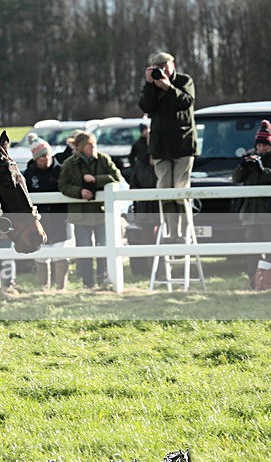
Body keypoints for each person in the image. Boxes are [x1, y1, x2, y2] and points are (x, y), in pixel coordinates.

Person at [138, 51, 197, 240]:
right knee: (164, 189)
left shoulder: (184, 80)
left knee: (180, 188)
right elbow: (146, 107)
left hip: (183, 144)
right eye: (158, 67)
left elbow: (186, 102)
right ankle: (172, 232)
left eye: (165, 65)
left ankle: (185, 231)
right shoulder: (151, 86)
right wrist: (150, 85)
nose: (162, 70)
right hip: (160, 146)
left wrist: (168, 86)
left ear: (173, 64)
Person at [59, 131, 123, 289]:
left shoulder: (103, 159)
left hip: (101, 213)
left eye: (94, 143)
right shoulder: (70, 164)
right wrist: (79, 192)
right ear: (80, 147)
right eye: (89, 144)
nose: (92, 146)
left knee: (104, 246)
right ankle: (87, 282)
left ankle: (103, 279)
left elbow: (116, 177)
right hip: (81, 215)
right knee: (84, 248)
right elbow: (63, 185)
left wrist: (96, 180)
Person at [24, 136, 71, 290]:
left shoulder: (62, 170)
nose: (46, 158)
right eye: (42, 156)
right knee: (41, 253)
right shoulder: (29, 175)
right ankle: (44, 286)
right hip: (39, 221)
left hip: (60, 219)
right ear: (36, 158)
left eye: (47, 154)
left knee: (61, 252)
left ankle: (60, 287)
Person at [232, 120, 271, 287]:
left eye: (265, 145)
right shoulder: (251, 159)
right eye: (259, 145)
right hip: (250, 215)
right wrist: (243, 166)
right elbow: (235, 178)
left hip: (267, 215)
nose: (261, 149)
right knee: (252, 252)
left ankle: (268, 282)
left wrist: (261, 168)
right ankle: (252, 282)